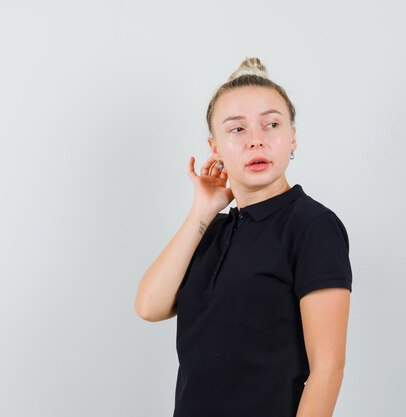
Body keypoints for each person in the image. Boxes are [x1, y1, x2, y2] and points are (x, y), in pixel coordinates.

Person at [135, 57, 353, 417]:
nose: (256, 141)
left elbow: (327, 370)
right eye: (237, 129)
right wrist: (203, 210)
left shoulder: (312, 225)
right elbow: (149, 306)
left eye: (271, 124)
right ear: (215, 147)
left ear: (293, 138)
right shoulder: (211, 230)